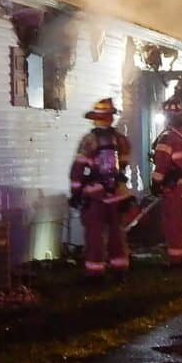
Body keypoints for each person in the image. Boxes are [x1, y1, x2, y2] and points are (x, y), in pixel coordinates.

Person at [69, 98, 134, 281]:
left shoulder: (88, 141)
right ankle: (119, 270)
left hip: (95, 195)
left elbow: (78, 168)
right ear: (111, 118)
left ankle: (95, 273)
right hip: (118, 194)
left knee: (95, 235)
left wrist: (76, 192)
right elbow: (124, 165)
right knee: (117, 234)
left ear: (95, 119)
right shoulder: (121, 140)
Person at [151, 98, 182, 266]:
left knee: (173, 224)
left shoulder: (168, 138)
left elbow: (162, 164)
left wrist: (156, 183)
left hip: (174, 189)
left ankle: (178, 260)